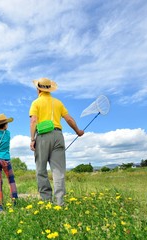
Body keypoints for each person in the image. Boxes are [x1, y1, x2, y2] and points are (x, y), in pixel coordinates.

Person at [29, 78, 84, 206]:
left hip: (42, 136)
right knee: (58, 171)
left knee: (41, 170)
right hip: (58, 136)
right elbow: (69, 119)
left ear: (38, 90)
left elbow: (33, 121)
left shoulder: (36, 103)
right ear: (49, 89)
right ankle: (60, 202)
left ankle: (46, 201)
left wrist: (32, 139)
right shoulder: (58, 103)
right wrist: (78, 131)